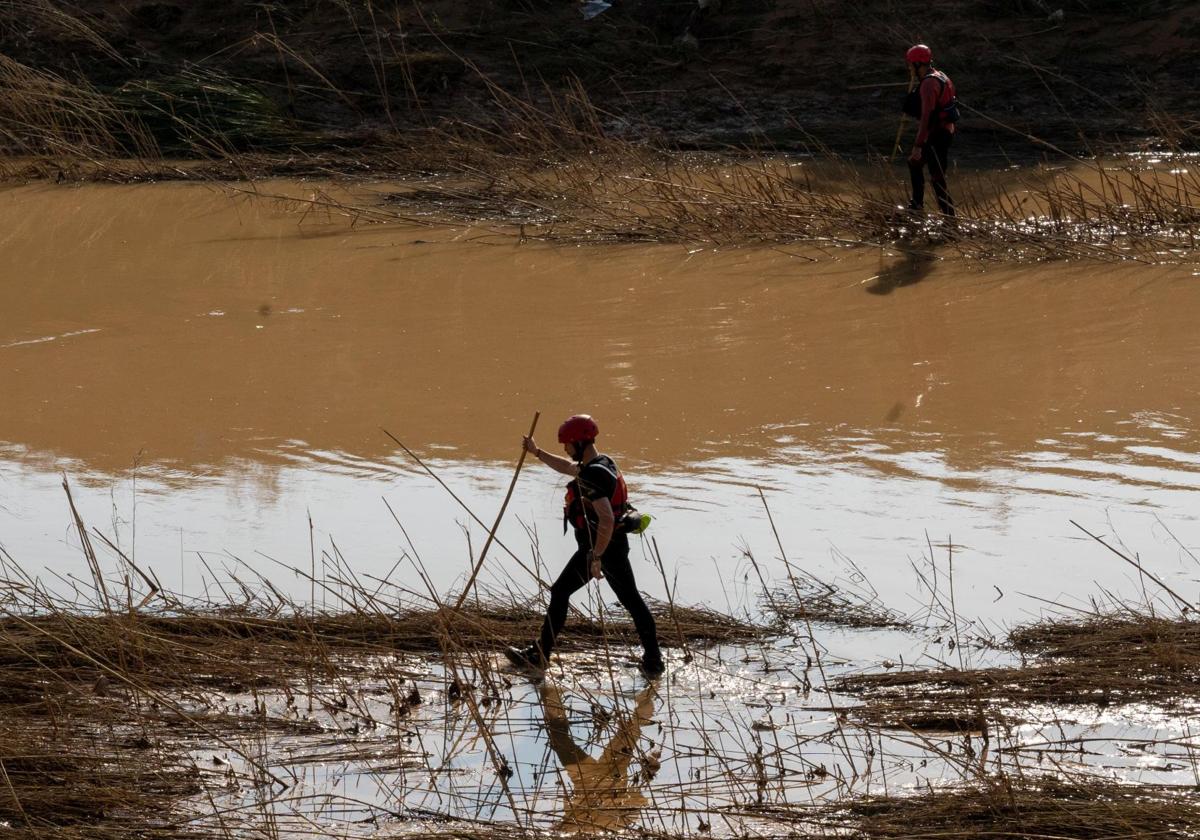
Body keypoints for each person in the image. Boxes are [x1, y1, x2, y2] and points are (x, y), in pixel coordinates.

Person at [505, 414, 665, 677]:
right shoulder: (603, 464)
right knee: (632, 601)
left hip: (601, 549)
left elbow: (605, 518)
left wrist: (596, 556)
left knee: (560, 592)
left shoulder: (592, 475)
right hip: (612, 547)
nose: (565, 450)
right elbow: (567, 468)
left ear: (578, 442)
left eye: (567, 445)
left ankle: (540, 656)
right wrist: (537, 452)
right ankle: (653, 661)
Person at [540, 680, 658, 832]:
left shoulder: (619, 826)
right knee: (559, 738)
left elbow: (638, 801)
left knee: (632, 727)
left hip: (608, 774)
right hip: (588, 776)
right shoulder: (576, 831)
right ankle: (550, 690)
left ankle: (649, 689)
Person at [904, 44, 958, 216]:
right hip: (946, 131)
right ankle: (918, 206)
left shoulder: (928, 84)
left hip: (938, 134)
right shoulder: (941, 76)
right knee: (916, 164)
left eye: (910, 64)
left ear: (918, 64)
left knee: (936, 177)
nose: (909, 68)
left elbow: (926, 117)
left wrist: (918, 145)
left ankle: (948, 218)